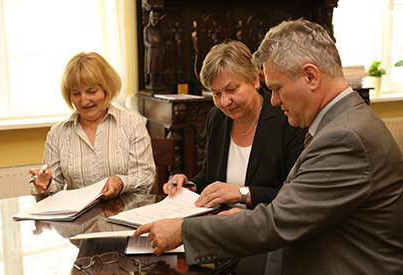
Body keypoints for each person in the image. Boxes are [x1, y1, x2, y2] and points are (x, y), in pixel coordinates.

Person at [134, 19, 403, 274]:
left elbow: (278, 220)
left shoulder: (344, 137)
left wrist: (183, 231)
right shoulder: (342, 121)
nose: (273, 100)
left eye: (277, 88)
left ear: (310, 76)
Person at [163, 40, 305, 211]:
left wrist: (242, 194)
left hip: (264, 226)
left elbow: (297, 195)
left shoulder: (287, 119)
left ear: (254, 80)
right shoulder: (217, 118)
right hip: (221, 223)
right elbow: (210, 177)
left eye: (232, 90)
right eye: (216, 93)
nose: (224, 102)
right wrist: (188, 187)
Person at [30, 52, 156, 200]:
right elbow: (53, 190)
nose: (84, 101)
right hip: (77, 220)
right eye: (76, 94)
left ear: (106, 89)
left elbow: (146, 177)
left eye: (91, 91)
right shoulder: (58, 133)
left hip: (125, 214)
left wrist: (121, 182)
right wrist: (46, 184)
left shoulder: (131, 123)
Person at [143, 10, 164, 89]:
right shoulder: (147, 29)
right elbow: (145, 41)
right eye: (154, 17)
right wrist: (150, 45)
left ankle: (159, 82)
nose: (156, 20)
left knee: (159, 66)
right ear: (150, 18)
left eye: (157, 18)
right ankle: (152, 82)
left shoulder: (159, 30)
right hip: (151, 50)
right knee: (152, 66)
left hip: (159, 49)